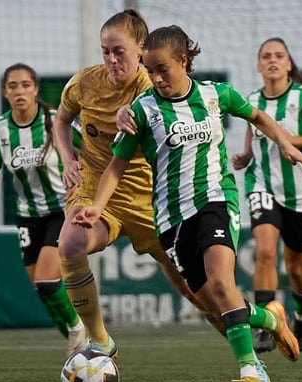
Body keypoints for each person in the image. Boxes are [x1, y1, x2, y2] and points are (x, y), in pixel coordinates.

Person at [73, 25, 302, 382]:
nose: (156, 78)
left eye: (162, 69)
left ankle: (252, 376)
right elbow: (116, 166)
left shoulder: (216, 95)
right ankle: (270, 317)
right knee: (214, 305)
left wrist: (285, 142)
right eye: (150, 71)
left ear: (183, 60)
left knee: (222, 282)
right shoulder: (143, 110)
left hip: (216, 201)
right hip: (171, 219)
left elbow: (257, 116)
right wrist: (96, 207)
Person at [53, 8, 219, 362]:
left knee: (195, 291)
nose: (112, 60)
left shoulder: (153, 87)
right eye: (105, 51)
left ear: (141, 50)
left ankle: (247, 352)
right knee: (70, 244)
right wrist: (68, 159)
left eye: (119, 51)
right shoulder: (83, 83)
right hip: (97, 193)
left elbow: (164, 109)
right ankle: (100, 341)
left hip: (151, 201)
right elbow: (62, 120)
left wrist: (135, 111)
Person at [232, 37, 302, 354]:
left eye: (279, 55)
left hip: (300, 193)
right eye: (266, 56)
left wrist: (291, 141)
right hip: (261, 185)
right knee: (265, 252)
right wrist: (245, 156)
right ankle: (266, 326)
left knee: (296, 268)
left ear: (289, 64)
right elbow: (253, 134)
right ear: (258, 65)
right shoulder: (253, 100)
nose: (272, 60)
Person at [0, 63, 87, 357]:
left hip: (61, 210)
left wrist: (84, 178)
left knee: (47, 280)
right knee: (42, 290)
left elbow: (90, 150)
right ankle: (80, 352)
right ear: (5, 92)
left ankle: (80, 329)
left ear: (36, 89)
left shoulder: (56, 121)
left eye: (25, 85)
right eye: (13, 86)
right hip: (27, 216)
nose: (19, 91)